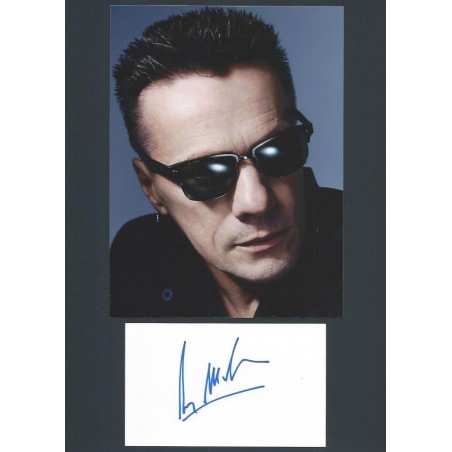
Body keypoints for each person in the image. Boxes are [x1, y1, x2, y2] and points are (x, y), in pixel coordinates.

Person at [110, 7, 342, 318]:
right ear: (150, 188)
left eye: (277, 150)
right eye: (206, 175)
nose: (257, 202)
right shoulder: (135, 259)